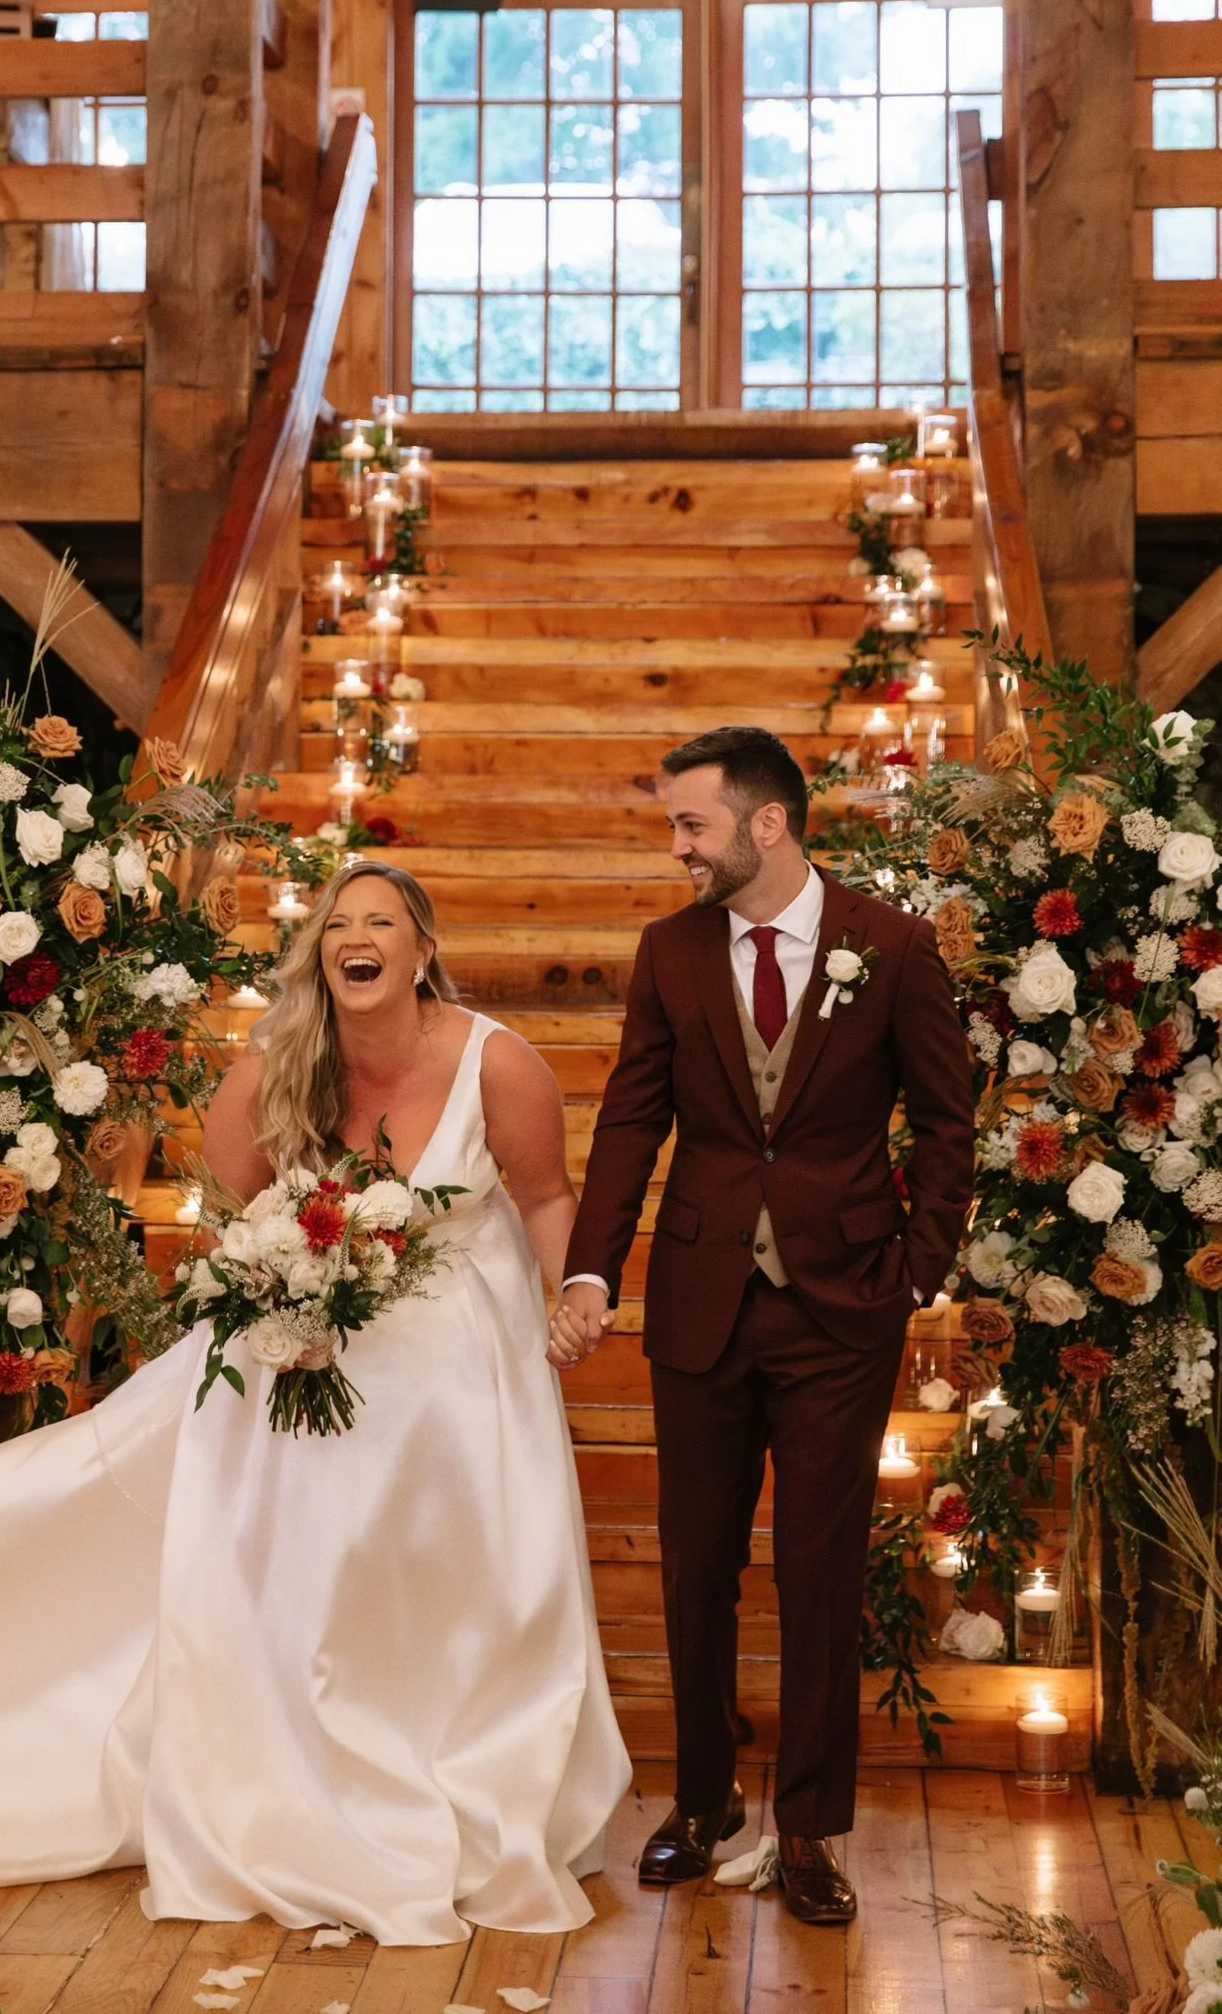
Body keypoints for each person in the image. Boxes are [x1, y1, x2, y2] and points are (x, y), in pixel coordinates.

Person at [0, 860, 629, 1947]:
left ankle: (466, 1781)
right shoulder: (287, 1053)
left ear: (423, 950)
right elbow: (235, 1182)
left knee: (448, 1572)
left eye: (381, 922)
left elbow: (549, 1193)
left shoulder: (495, 1061)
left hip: (464, 1373)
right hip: (305, 1351)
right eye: (336, 926)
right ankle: (304, 1787)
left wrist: (575, 1292)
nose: (353, 938)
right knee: (287, 1569)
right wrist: (291, 1261)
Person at [552, 727, 974, 1927]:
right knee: (695, 1565)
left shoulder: (887, 945)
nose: (676, 848)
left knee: (820, 1571)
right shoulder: (670, 951)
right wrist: (593, 1270)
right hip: (699, 1300)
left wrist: (919, 1266)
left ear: (767, 823)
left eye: (692, 825)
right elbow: (633, 1122)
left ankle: (811, 1828)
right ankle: (700, 1802)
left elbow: (949, 1118)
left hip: (845, 1304)